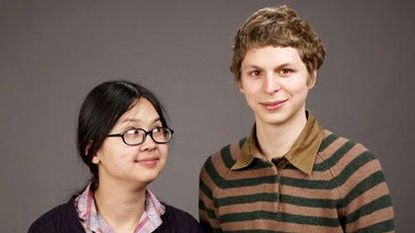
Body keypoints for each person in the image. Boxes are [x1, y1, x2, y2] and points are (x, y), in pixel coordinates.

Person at [199, 5, 395, 233]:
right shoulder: (217, 170)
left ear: (311, 77)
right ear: (240, 82)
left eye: (285, 71)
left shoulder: (355, 168)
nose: (270, 87)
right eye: (255, 73)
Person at [29, 80, 203, 233]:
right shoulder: (49, 228)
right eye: (133, 132)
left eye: (157, 130)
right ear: (93, 151)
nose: (151, 144)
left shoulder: (186, 227)